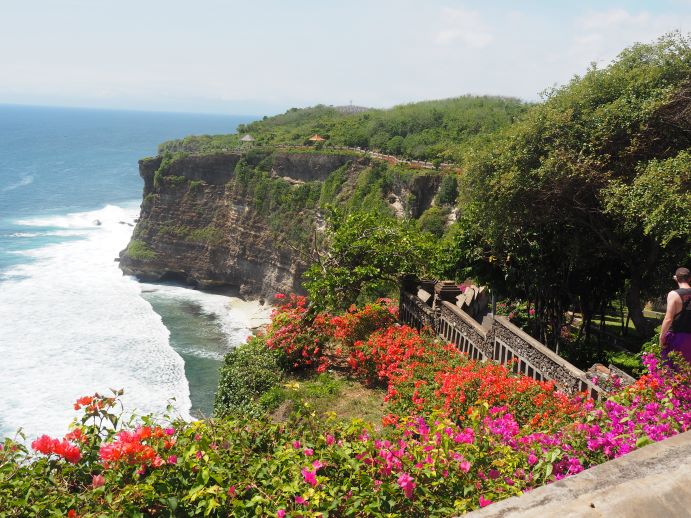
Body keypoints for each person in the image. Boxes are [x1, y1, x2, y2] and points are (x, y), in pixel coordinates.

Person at [660, 266, 691, 363]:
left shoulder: (674, 294)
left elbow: (668, 319)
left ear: (676, 278)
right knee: (686, 372)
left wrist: (661, 338)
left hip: (676, 337)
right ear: (690, 279)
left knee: (671, 371)